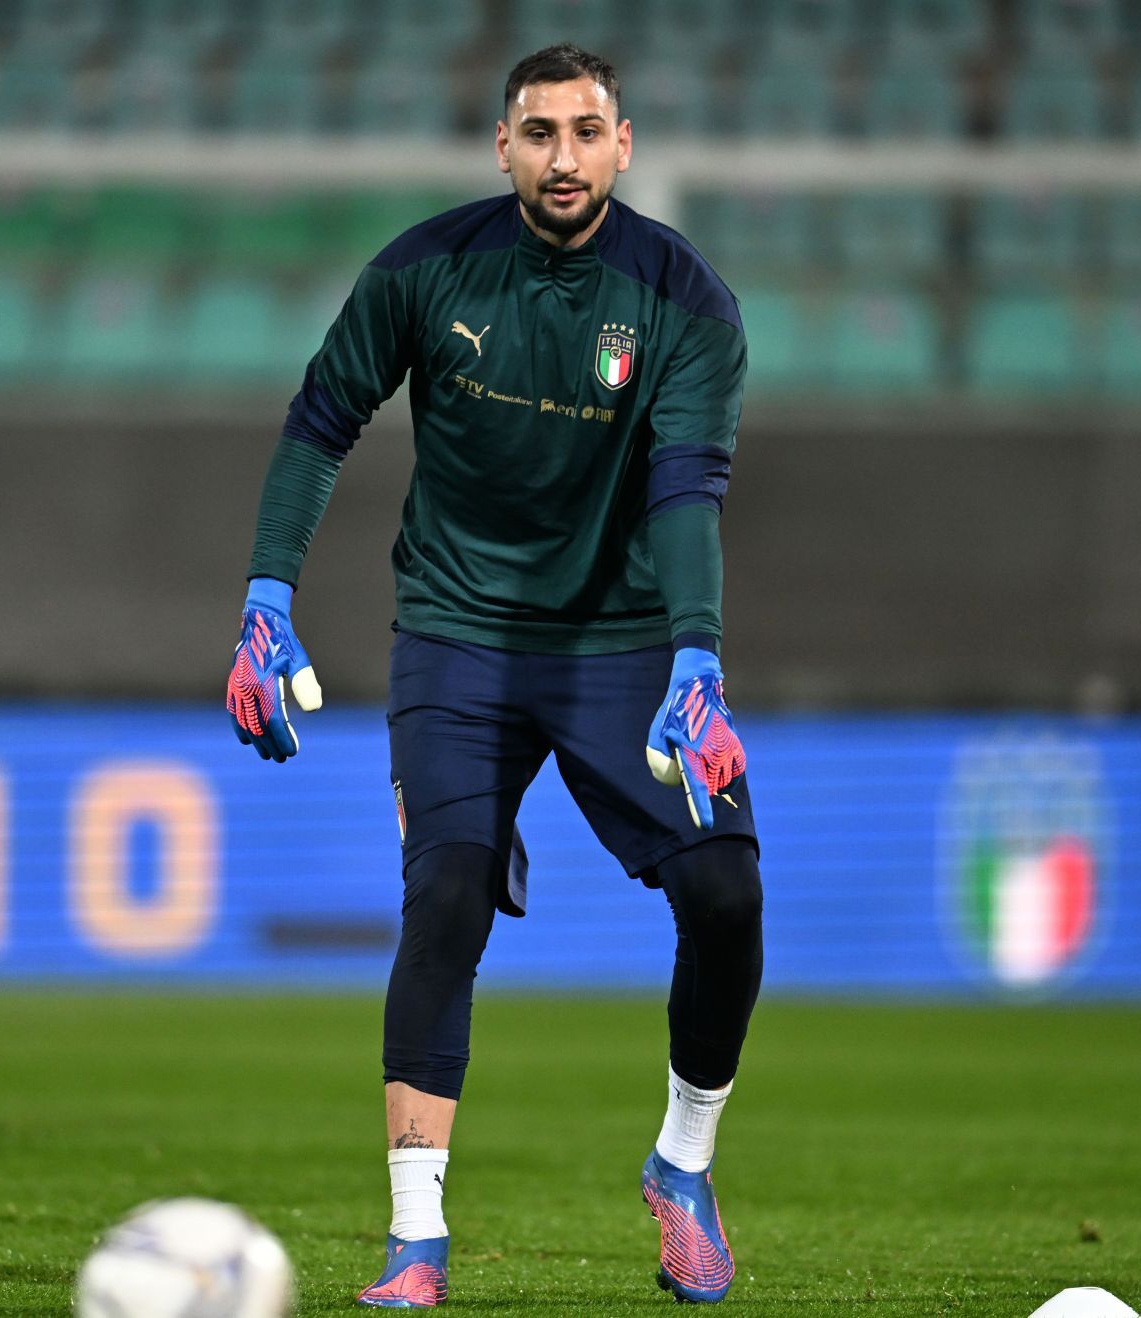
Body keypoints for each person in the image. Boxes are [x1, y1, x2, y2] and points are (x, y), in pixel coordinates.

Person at [225, 43, 763, 1309]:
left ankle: (682, 1164)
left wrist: (698, 656)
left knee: (728, 894)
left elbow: (688, 489)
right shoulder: (426, 268)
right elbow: (320, 420)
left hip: (622, 643)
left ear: (623, 144)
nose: (562, 156)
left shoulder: (687, 303)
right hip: (458, 636)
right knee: (449, 892)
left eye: (586, 132)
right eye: (538, 133)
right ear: (503, 146)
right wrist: (265, 597)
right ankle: (417, 1242)